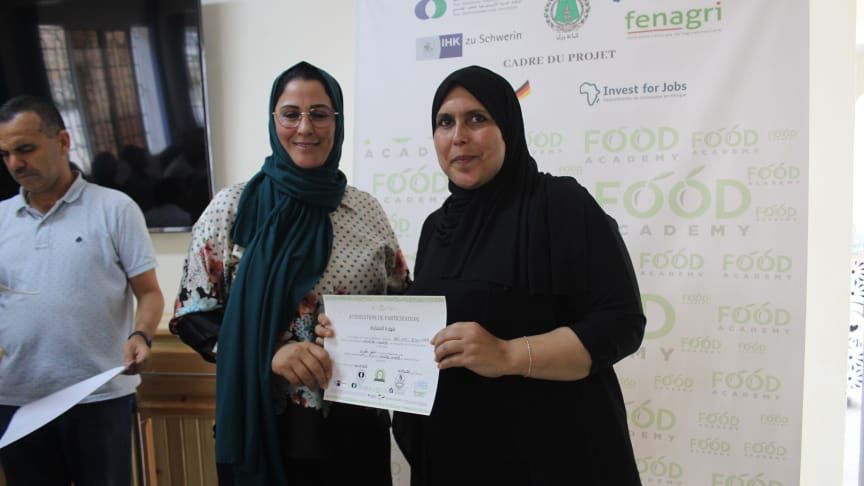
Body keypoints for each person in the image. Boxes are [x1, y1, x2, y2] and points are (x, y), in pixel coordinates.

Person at [390, 66, 646, 485]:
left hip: (553, 455)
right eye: (445, 122)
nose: (459, 136)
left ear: (508, 126)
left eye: (477, 118)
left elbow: (621, 322)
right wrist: (361, 338)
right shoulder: (437, 226)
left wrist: (507, 354)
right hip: (456, 455)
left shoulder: (561, 203)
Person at [169, 61, 410, 486]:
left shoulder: (365, 210)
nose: (305, 127)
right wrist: (269, 354)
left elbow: (401, 300)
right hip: (265, 425)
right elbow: (193, 316)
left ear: (337, 121)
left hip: (355, 429)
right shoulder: (233, 209)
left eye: (319, 113)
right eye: (291, 114)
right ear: (273, 119)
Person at [0, 95, 164, 485]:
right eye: (5, 154)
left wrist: (141, 335)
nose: (15, 163)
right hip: (16, 398)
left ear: (62, 141)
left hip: (98, 396)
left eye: (25, 149)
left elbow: (149, 293)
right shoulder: (1, 217)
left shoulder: (115, 209)